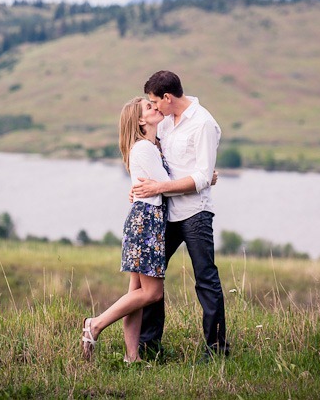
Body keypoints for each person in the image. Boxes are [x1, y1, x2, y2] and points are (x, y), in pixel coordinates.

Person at [82, 96, 202, 362]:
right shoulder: (144, 149)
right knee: (152, 293)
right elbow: (166, 185)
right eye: (149, 107)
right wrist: (202, 179)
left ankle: (132, 356)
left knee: (136, 291)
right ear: (139, 120)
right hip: (146, 222)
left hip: (147, 219)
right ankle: (96, 324)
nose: (155, 107)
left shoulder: (151, 146)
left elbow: (157, 184)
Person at [132, 70, 229, 360]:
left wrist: (160, 186)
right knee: (151, 274)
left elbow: (201, 176)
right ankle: (149, 346)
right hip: (165, 214)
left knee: (206, 279)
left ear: (167, 97)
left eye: (154, 102)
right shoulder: (163, 125)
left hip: (195, 214)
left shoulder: (204, 124)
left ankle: (216, 351)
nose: (153, 107)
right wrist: (139, 188)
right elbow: (155, 160)